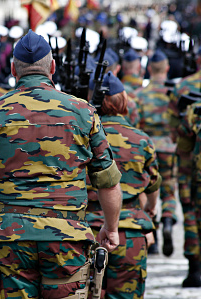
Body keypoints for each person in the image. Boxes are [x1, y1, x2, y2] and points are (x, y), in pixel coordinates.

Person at [0, 30, 123, 298]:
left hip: (10, 240)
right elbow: (108, 181)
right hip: (66, 238)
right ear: (52, 68)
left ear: (12, 69)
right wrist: (111, 228)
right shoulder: (83, 112)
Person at [86, 72, 161, 298]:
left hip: (89, 229)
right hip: (130, 231)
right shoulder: (141, 140)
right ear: (124, 101)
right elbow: (153, 184)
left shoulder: (82, 136)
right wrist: (150, 209)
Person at [135, 50, 177, 257]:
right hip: (170, 145)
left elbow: (136, 123)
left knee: (147, 188)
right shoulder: (174, 92)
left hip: (149, 147)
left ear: (149, 69)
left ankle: (153, 236)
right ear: (167, 68)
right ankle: (168, 220)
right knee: (169, 189)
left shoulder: (141, 94)